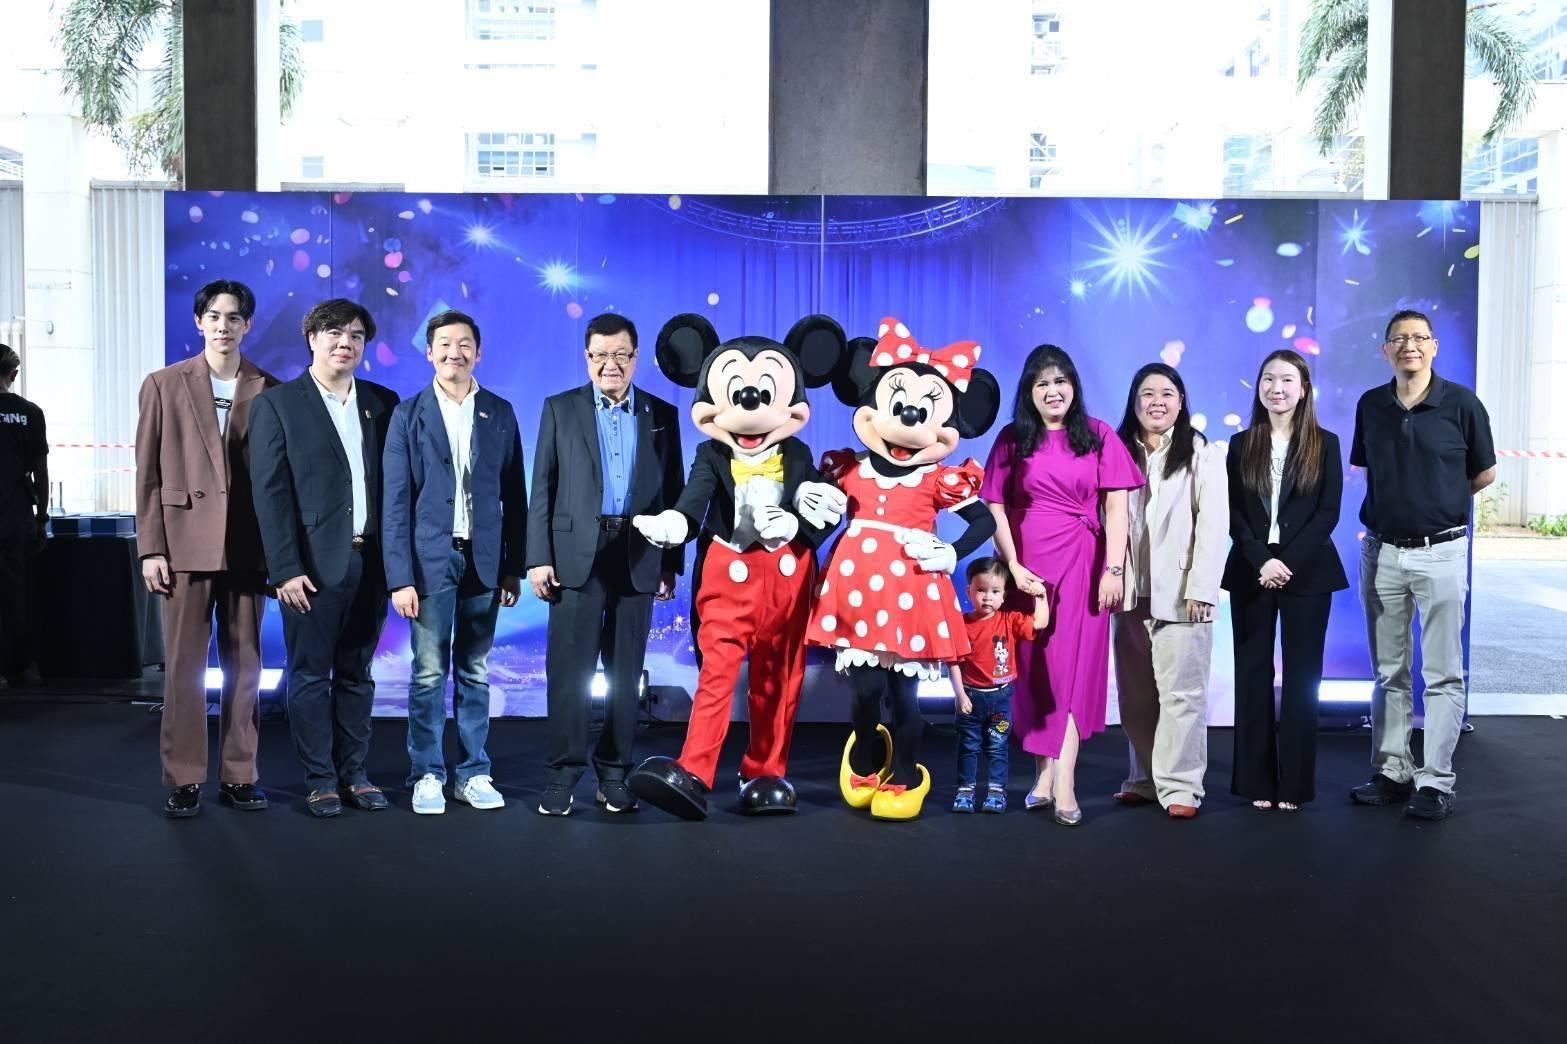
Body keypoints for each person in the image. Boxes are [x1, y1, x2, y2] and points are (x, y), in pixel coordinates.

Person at [626, 314, 847, 820]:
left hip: (787, 579)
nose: (751, 404)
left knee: (778, 678)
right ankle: (695, 770)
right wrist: (675, 525)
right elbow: (695, 499)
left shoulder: (799, 453)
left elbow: (824, 508)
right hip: (729, 576)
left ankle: (766, 770)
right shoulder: (710, 453)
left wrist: (798, 523)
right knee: (717, 673)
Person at [806, 317, 1002, 821]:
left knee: (904, 694)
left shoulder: (938, 478)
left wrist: (952, 552)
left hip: (911, 593)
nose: (908, 416)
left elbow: (983, 520)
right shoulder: (849, 467)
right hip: (858, 594)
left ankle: (907, 772)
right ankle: (867, 754)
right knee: (866, 692)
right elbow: (818, 518)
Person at [526, 313, 684, 816]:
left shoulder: (661, 414)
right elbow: (542, 488)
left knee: (625, 672)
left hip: (639, 554)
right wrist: (538, 558)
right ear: (587, 357)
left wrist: (670, 563)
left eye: (620, 354)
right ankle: (562, 775)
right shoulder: (560, 408)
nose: (609, 364)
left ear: (635, 357)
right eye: (600, 354)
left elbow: (674, 492)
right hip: (574, 556)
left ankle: (614, 773)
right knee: (568, 673)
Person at [133, 281, 279, 818]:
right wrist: (152, 548)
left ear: (247, 325)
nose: (223, 325)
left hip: (247, 546)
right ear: (199, 322)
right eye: (214, 316)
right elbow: (147, 474)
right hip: (182, 545)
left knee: (247, 667)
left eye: (234, 317)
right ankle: (184, 777)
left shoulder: (271, 388)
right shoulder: (163, 384)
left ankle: (240, 775)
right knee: (183, 669)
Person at [250, 299, 400, 819]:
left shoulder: (383, 402)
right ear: (311, 338)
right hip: (310, 568)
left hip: (371, 562)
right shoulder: (277, 405)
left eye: (356, 335)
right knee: (311, 675)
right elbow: (270, 494)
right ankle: (320, 780)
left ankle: (354, 773)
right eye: (334, 332)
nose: (345, 343)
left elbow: (395, 488)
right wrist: (285, 568)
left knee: (357, 673)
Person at [980, 344, 1142, 827]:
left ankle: (1066, 780)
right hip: (1027, 567)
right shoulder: (1012, 438)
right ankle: (1043, 775)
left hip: (1083, 564)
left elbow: (1117, 508)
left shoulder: (1098, 434)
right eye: (1043, 383)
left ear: (1074, 385)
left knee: (1072, 672)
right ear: (1029, 392)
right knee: (1035, 671)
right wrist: (1013, 565)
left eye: (1061, 381)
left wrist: (1114, 569)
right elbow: (994, 507)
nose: (1053, 391)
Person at [1349, 309, 1495, 821]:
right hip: (1382, 553)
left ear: (1433, 346)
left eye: (1419, 337)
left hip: (1442, 552)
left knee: (1442, 674)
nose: (1409, 346)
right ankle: (1393, 770)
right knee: (1389, 671)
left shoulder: (1462, 404)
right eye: (1399, 339)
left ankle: (1435, 781)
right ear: (1385, 350)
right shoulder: (1371, 405)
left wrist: (1440, 504)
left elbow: (1484, 473)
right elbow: (1366, 468)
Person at [382, 310, 526, 815]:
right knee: (427, 673)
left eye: (464, 344)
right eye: (444, 344)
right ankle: (426, 773)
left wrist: (513, 567)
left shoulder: (500, 412)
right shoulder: (408, 414)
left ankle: (473, 772)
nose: (454, 353)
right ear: (429, 352)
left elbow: (515, 495)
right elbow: (395, 503)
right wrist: (399, 577)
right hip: (429, 562)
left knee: (475, 670)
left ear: (478, 353)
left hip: (484, 559)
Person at [1224, 349, 1347, 812]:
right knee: (1252, 675)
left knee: (1302, 678)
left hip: (1307, 571)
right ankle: (1256, 781)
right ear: (1259, 387)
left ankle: (1294, 785)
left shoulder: (1325, 443)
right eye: (1268, 379)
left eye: (1287, 380)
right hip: (1252, 570)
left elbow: (1328, 512)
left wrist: (1286, 562)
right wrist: (1262, 560)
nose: (1277, 388)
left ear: (1303, 388)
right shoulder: (1241, 444)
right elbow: (1233, 513)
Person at [1110, 363, 1228, 819]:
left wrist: (1202, 587)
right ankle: (1143, 777)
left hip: (1181, 591)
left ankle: (1180, 786)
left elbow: (1213, 525)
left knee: (1182, 695)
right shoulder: (1117, 450)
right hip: (1130, 592)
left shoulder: (1202, 453)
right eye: (1147, 393)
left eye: (1166, 393)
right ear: (1134, 401)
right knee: (1136, 695)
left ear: (1180, 402)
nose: (1156, 401)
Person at [949, 557, 1048, 814]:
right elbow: (952, 663)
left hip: (1000, 699)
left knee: (997, 747)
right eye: (981, 590)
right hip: (970, 697)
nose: (987, 597)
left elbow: (1040, 623)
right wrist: (960, 695)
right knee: (968, 747)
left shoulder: (1009, 620)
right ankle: (965, 791)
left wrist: (1041, 596)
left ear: (1004, 596)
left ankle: (996, 792)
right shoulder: (961, 625)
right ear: (968, 591)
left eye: (995, 591)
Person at [0, 344, 48, 693]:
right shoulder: (30, 413)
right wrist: (42, 517)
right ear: (13, 375)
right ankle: (22, 667)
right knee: (17, 594)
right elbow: (41, 471)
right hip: (16, 518)